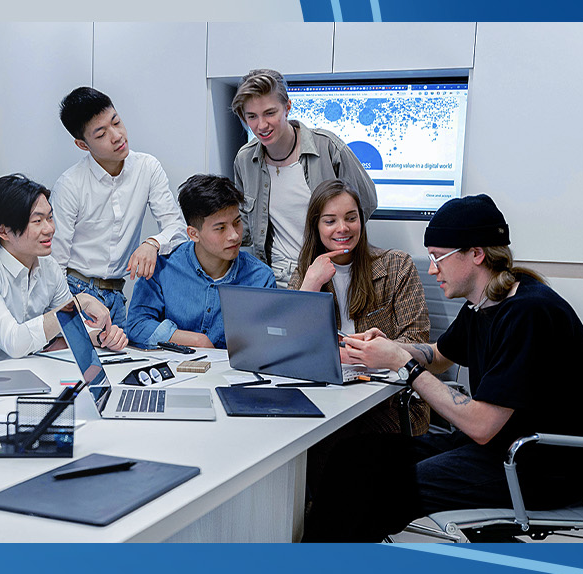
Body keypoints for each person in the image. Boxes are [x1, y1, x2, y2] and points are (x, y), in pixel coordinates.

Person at [303, 194, 583, 542]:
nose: (431, 269)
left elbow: (482, 426)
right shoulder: (486, 302)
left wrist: (405, 365)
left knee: (381, 491)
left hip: (536, 468)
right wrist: (385, 348)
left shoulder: (527, 313)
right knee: (355, 455)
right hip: (494, 449)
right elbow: (440, 354)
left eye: (437, 258)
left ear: (476, 253)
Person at [0, 174, 127, 371]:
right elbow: (15, 343)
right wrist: (79, 302)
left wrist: (102, 337)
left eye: (49, 217)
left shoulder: (48, 266)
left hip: (19, 373)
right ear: (3, 231)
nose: (50, 229)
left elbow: (72, 329)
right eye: (37, 221)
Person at [290, 178, 430, 435]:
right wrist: (310, 284)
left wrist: (363, 353)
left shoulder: (397, 265)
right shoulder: (305, 274)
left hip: (389, 401)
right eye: (330, 221)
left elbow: (417, 339)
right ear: (316, 226)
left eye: (351, 218)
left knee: (335, 436)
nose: (342, 228)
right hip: (326, 395)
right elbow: (289, 345)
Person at [50, 87, 189, 327]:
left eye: (116, 122)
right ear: (83, 145)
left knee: (119, 362)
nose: (117, 136)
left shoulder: (147, 167)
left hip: (117, 294)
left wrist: (152, 243)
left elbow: (177, 228)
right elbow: (55, 263)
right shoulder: (70, 185)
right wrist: (69, 309)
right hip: (77, 292)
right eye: (101, 134)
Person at [231, 68, 379, 287]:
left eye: (270, 113)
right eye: (252, 116)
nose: (261, 125)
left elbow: (365, 203)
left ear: (287, 107)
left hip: (332, 270)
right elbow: (245, 227)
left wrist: (338, 248)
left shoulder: (328, 147)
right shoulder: (245, 159)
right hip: (276, 278)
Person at [124, 174, 275, 349]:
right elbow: (137, 325)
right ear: (193, 234)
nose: (234, 235)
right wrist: (197, 341)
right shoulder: (163, 267)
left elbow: (266, 344)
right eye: (221, 228)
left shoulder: (260, 278)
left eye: (237, 223)